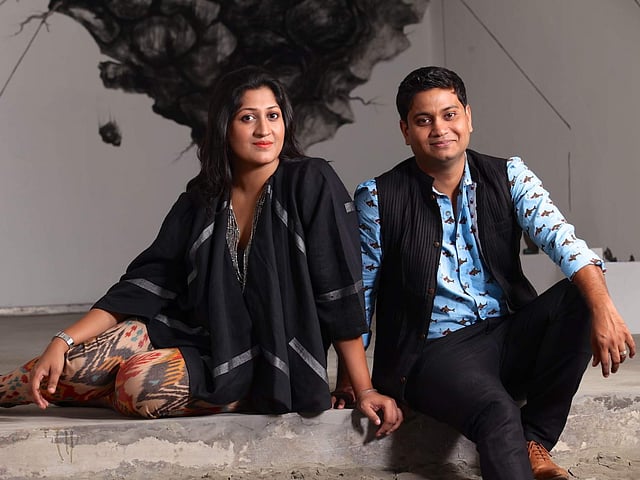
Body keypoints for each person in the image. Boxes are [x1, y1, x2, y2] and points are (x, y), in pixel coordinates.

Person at [0, 66, 402, 436]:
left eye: (273, 115)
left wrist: (362, 387)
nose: (264, 129)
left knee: (136, 382)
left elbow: (339, 291)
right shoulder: (202, 198)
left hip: (266, 357)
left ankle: (111, 387)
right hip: (197, 335)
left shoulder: (311, 181)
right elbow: (144, 284)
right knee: (82, 360)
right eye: (248, 118)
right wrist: (62, 340)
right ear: (225, 126)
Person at [346, 66, 635, 479]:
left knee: (582, 294)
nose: (439, 129)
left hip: (507, 333)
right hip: (434, 353)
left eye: (450, 115)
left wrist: (604, 308)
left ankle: (534, 440)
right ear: (405, 131)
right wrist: (358, 384)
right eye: (423, 120)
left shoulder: (509, 175)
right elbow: (360, 297)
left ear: (468, 117)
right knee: (497, 411)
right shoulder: (378, 197)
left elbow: (564, 241)